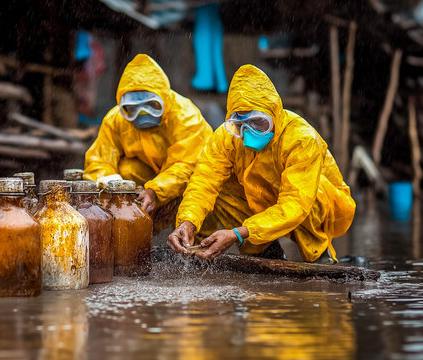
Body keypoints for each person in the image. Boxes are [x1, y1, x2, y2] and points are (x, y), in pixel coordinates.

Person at [168, 64, 356, 264]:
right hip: (263, 196)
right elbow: (203, 183)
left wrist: (237, 234)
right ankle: (263, 250)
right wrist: (187, 222)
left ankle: (317, 251)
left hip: (316, 202)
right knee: (219, 190)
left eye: (258, 123)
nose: (248, 133)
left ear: (274, 114)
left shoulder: (301, 138)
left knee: (311, 192)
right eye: (239, 125)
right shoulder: (225, 138)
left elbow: (295, 203)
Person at [83, 54, 213, 231]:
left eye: (151, 105)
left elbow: (187, 166)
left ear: (164, 99)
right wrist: (115, 187)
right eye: (132, 108)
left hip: (183, 186)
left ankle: (198, 244)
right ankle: (133, 231)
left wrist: (155, 192)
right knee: (126, 171)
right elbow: (98, 160)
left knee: (203, 189)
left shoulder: (186, 116)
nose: (142, 114)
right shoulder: (116, 119)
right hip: (150, 185)